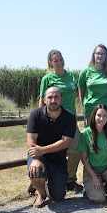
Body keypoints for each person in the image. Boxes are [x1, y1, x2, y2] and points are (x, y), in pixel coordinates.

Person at [37, 50, 82, 192]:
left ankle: (70, 179)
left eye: (61, 59)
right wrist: (40, 120)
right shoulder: (47, 79)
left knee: (76, 149)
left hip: (70, 119)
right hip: (53, 120)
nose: (60, 62)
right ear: (50, 63)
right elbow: (42, 100)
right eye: (56, 61)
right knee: (53, 150)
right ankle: (46, 178)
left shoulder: (71, 76)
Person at [27, 87, 76, 208]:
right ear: (44, 100)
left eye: (56, 97)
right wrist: (35, 159)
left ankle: (43, 182)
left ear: (61, 99)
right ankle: (41, 193)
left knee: (58, 196)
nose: (53, 100)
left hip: (58, 158)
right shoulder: (36, 114)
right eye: (50, 97)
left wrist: (43, 149)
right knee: (35, 170)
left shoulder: (69, 117)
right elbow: (31, 140)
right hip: (39, 155)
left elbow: (65, 142)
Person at [78, 104, 107, 203]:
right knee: (100, 199)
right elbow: (83, 159)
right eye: (99, 115)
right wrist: (94, 177)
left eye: (105, 116)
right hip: (92, 171)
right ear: (94, 116)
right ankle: (89, 187)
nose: (101, 119)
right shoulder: (85, 133)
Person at [78, 44, 107, 127]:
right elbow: (81, 92)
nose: (100, 56)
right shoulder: (85, 72)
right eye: (98, 53)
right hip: (90, 110)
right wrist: (85, 105)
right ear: (94, 55)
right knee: (91, 138)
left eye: (103, 54)